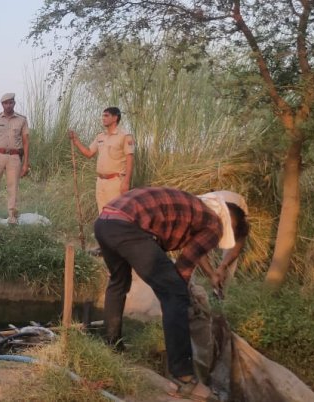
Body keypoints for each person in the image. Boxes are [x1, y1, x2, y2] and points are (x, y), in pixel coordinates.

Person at [94, 187, 250, 400]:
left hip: (105, 221)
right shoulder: (215, 224)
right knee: (176, 294)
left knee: (118, 283)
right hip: (127, 226)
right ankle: (184, 377)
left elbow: (185, 250)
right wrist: (178, 296)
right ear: (230, 225)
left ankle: (112, 347)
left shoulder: (196, 207)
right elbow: (185, 265)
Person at [68, 107, 135, 213]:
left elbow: (130, 159)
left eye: (106, 115)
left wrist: (126, 182)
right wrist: (76, 140)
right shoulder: (100, 136)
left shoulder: (124, 136)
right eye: (102, 115)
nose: (103, 118)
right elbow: (89, 153)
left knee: (115, 214)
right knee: (102, 214)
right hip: (100, 181)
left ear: (115, 118)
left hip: (116, 182)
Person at [0, 93, 30, 224]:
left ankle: (12, 218)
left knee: (13, 188)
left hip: (14, 156)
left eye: (10, 102)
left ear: (14, 103)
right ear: (2, 104)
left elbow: (26, 141)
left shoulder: (22, 120)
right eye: (5, 103)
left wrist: (26, 163)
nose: (8, 105)